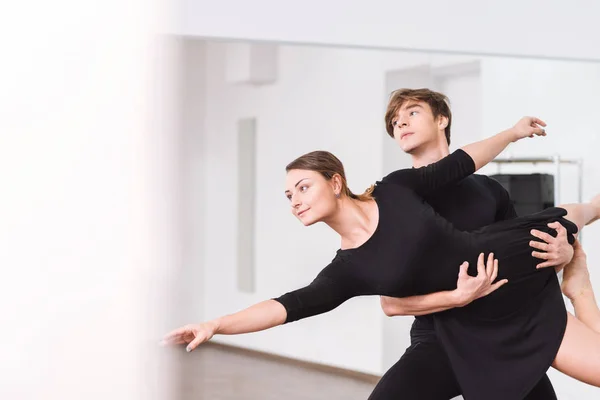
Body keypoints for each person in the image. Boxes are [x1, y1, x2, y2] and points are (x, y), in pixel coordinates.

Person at [161, 119, 600, 400]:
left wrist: (512, 132)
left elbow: (462, 162)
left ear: (335, 183)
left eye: (303, 187)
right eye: (288, 195)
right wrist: (216, 324)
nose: (294, 201)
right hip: (468, 322)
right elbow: (287, 306)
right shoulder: (348, 269)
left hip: (508, 269)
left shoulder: (395, 190)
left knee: (570, 217)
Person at [370, 88, 574, 399]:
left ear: (442, 120)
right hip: (438, 339)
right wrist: (456, 297)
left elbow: (523, 260)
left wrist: (564, 253)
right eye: (394, 121)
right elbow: (391, 304)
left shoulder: (490, 191)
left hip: (500, 336)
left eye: (411, 113)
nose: (400, 123)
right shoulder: (395, 198)